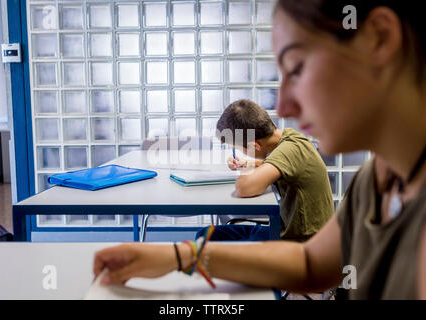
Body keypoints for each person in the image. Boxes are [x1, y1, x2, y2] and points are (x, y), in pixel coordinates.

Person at [94, 0, 426, 299]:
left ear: (379, 39)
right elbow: (310, 264)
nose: (283, 103)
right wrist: (179, 256)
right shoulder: (374, 180)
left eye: (296, 68)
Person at [195, 99, 334, 242]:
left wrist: (248, 168)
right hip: (284, 230)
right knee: (206, 234)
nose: (238, 152)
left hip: (301, 243)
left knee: (207, 242)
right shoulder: (289, 138)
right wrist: (249, 162)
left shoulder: (291, 150)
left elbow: (244, 188)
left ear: (255, 146)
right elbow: (276, 163)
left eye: (238, 149)